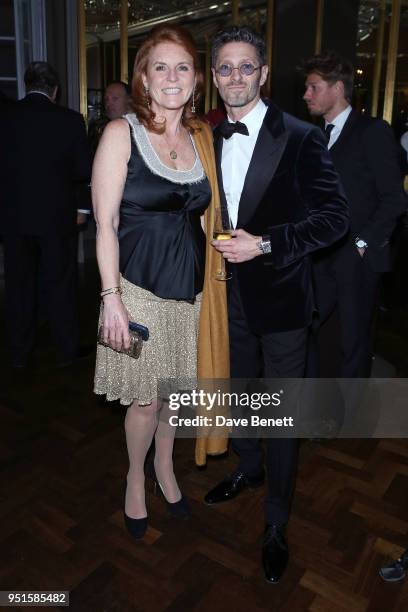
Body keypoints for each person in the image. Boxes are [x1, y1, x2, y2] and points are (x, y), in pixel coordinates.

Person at [203, 26, 349, 583]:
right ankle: (247, 466)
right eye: (224, 67)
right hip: (223, 299)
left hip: (285, 298)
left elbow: (334, 219)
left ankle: (276, 522)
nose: (235, 77)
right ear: (214, 76)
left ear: (263, 73)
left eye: (246, 67)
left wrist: (265, 244)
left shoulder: (301, 136)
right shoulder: (206, 138)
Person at [92, 24, 229, 540]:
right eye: (160, 68)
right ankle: (134, 476)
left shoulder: (200, 136)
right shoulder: (119, 133)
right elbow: (104, 224)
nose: (172, 77)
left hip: (191, 294)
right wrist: (111, 299)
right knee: (145, 401)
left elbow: (202, 216)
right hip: (138, 293)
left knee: (175, 395)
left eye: (183, 68)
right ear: (144, 80)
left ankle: (166, 469)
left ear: (196, 81)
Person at [303, 52, 407, 378]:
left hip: (355, 258)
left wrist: (361, 244)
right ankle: (321, 413)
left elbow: (394, 199)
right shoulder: (314, 135)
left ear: (337, 89)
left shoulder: (372, 131)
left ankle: (350, 422)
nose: (306, 95)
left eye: (313, 87)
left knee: (353, 343)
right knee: (314, 336)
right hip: (318, 256)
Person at [0, 61, 91, 368]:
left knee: (18, 285)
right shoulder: (70, 120)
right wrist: (81, 208)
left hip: (14, 219)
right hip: (56, 218)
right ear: (56, 90)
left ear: (28, 86)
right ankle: (66, 350)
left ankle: (18, 352)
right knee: (60, 283)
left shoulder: (6, 118)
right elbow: (82, 170)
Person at [88, 81, 131, 159]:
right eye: (106, 99)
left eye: (115, 99)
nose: (109, 104)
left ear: (129, 101)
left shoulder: (139, 129)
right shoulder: (97, 130)